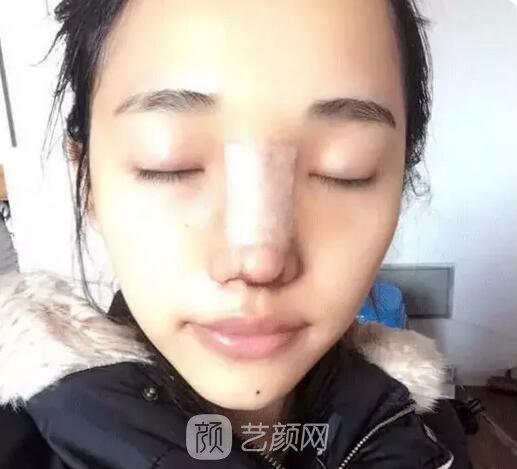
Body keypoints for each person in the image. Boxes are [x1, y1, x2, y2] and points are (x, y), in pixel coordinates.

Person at [0, 0, 468, 467]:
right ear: (88, 183)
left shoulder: (424, 432)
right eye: (170, 163)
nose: (259, 259)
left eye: (346, 167)